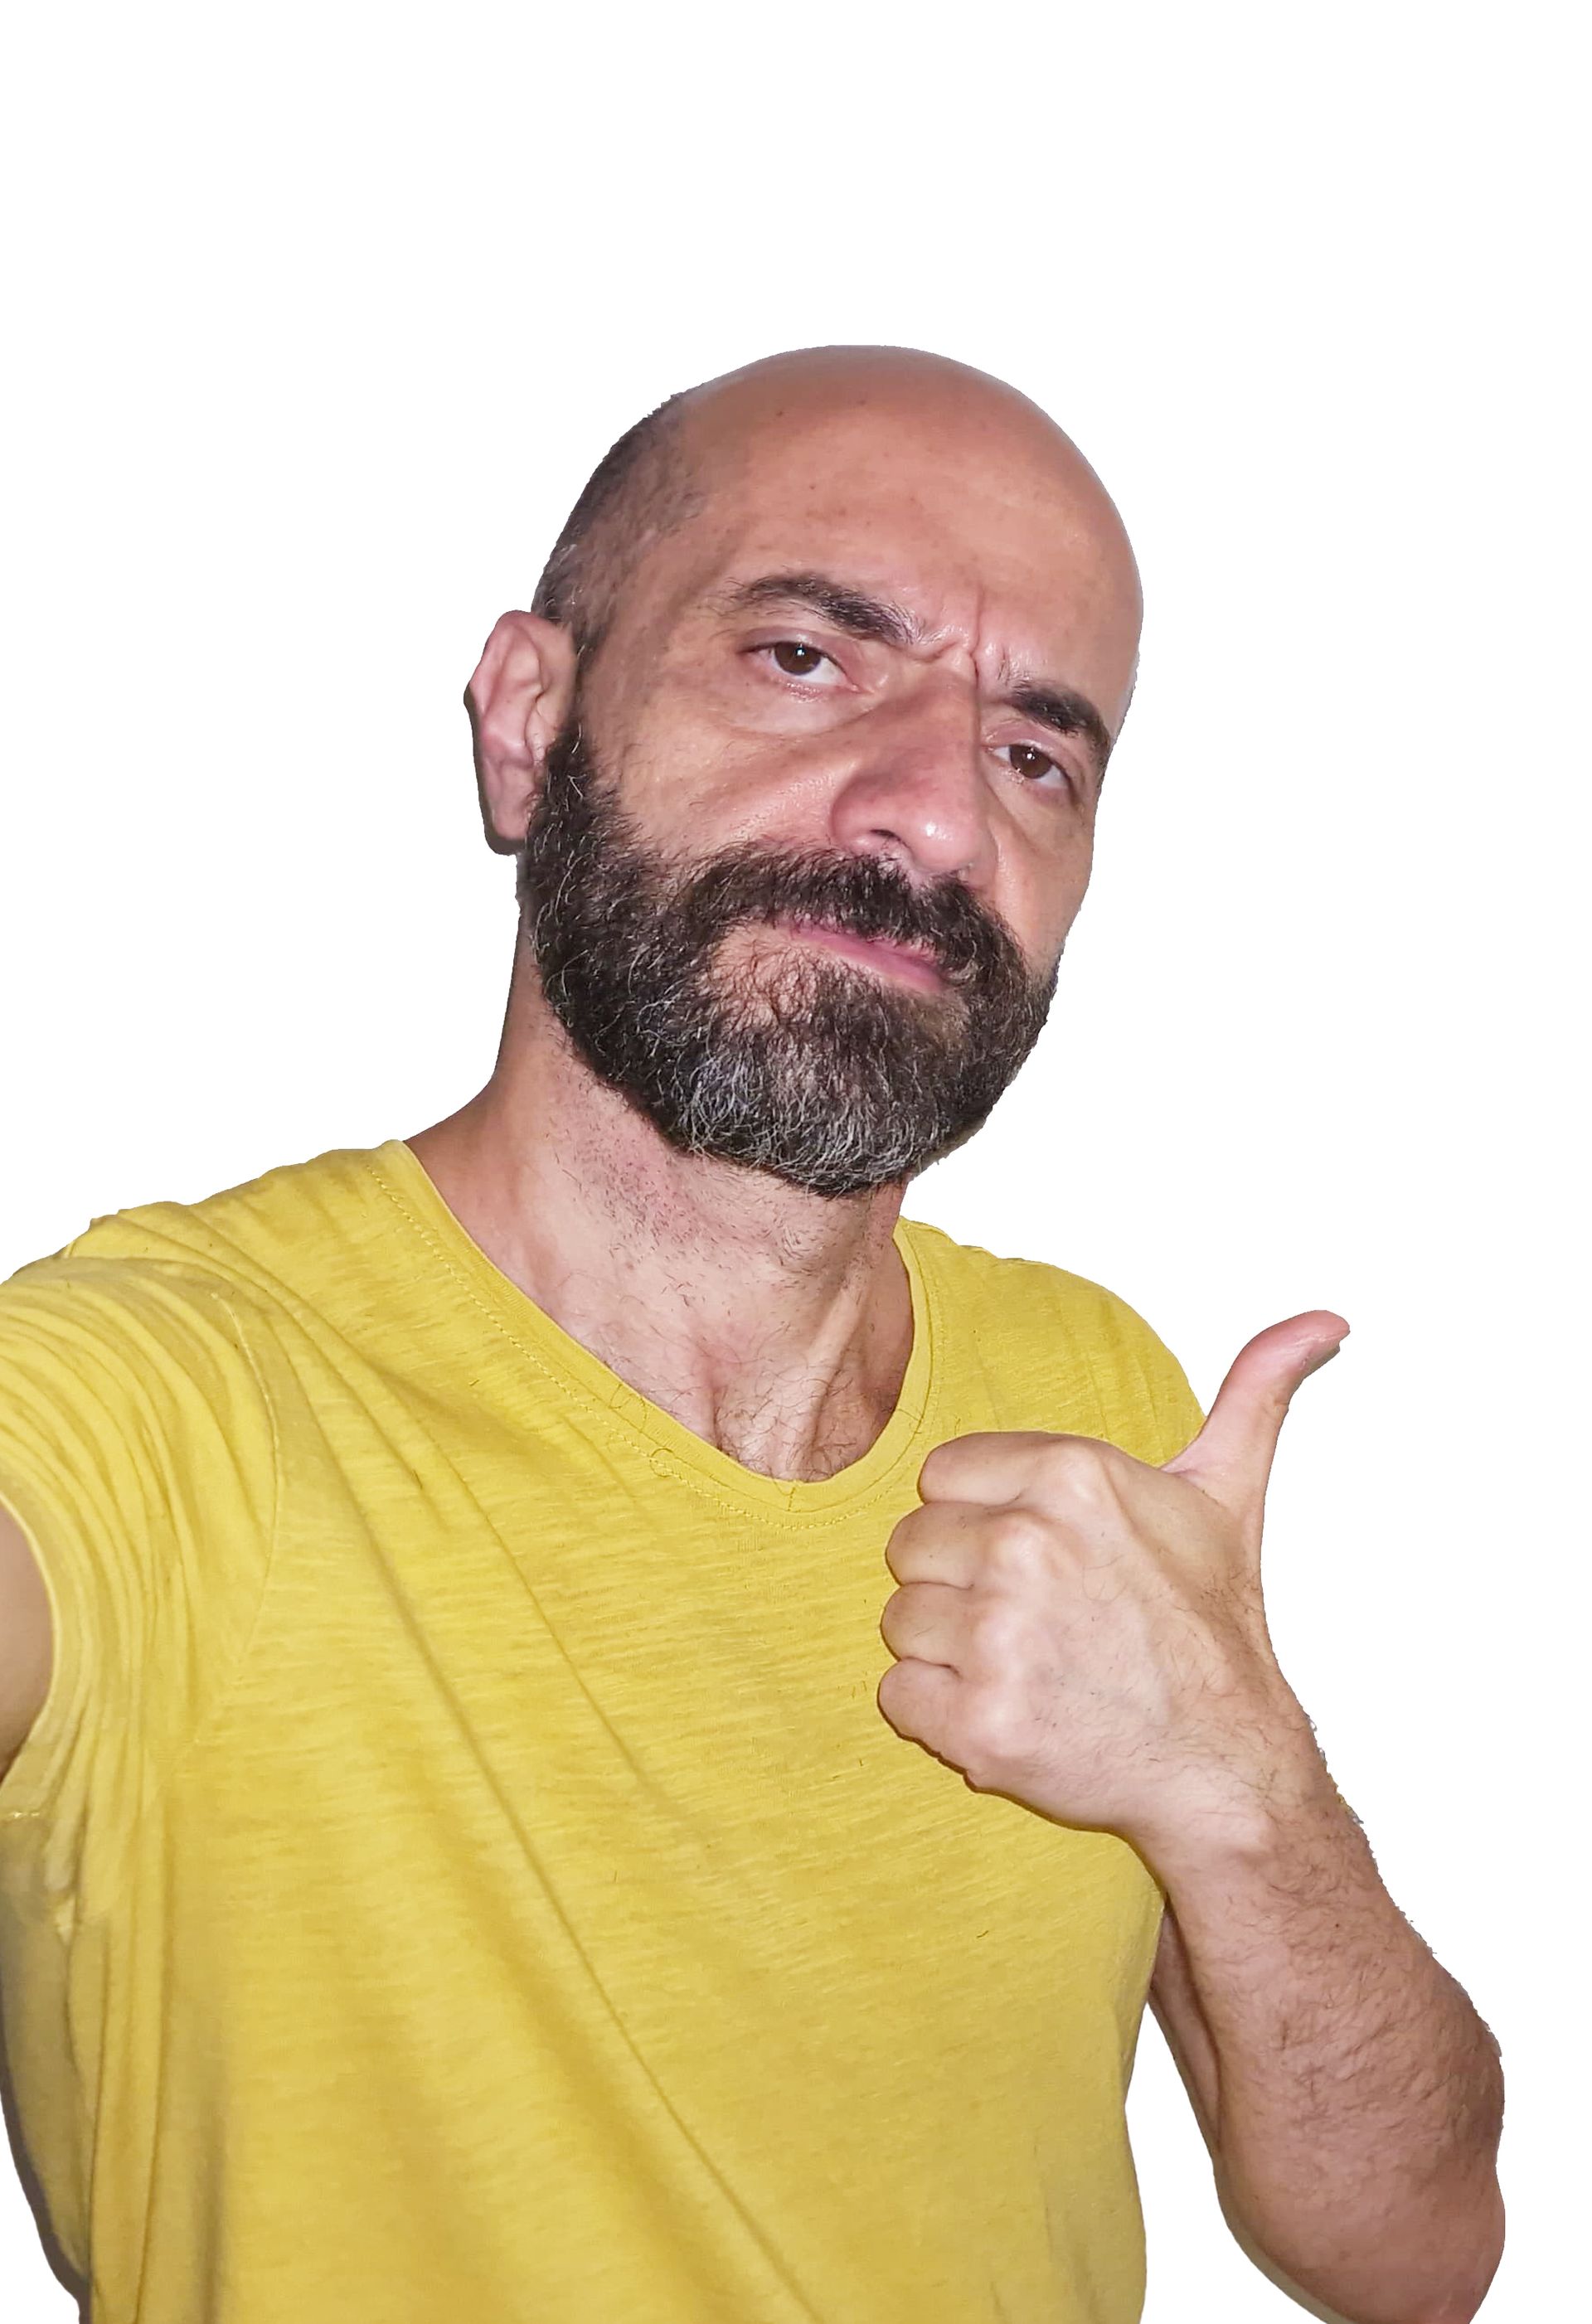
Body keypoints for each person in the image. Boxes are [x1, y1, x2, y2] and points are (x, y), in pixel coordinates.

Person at [0, 345, 1502, 2324]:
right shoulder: (153, 1396)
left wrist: (1243, 1777)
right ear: (530, 720)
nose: (934, 817)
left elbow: (1412, 2253)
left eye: (1034, 755)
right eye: (806, 658)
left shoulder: (1096, 1405)